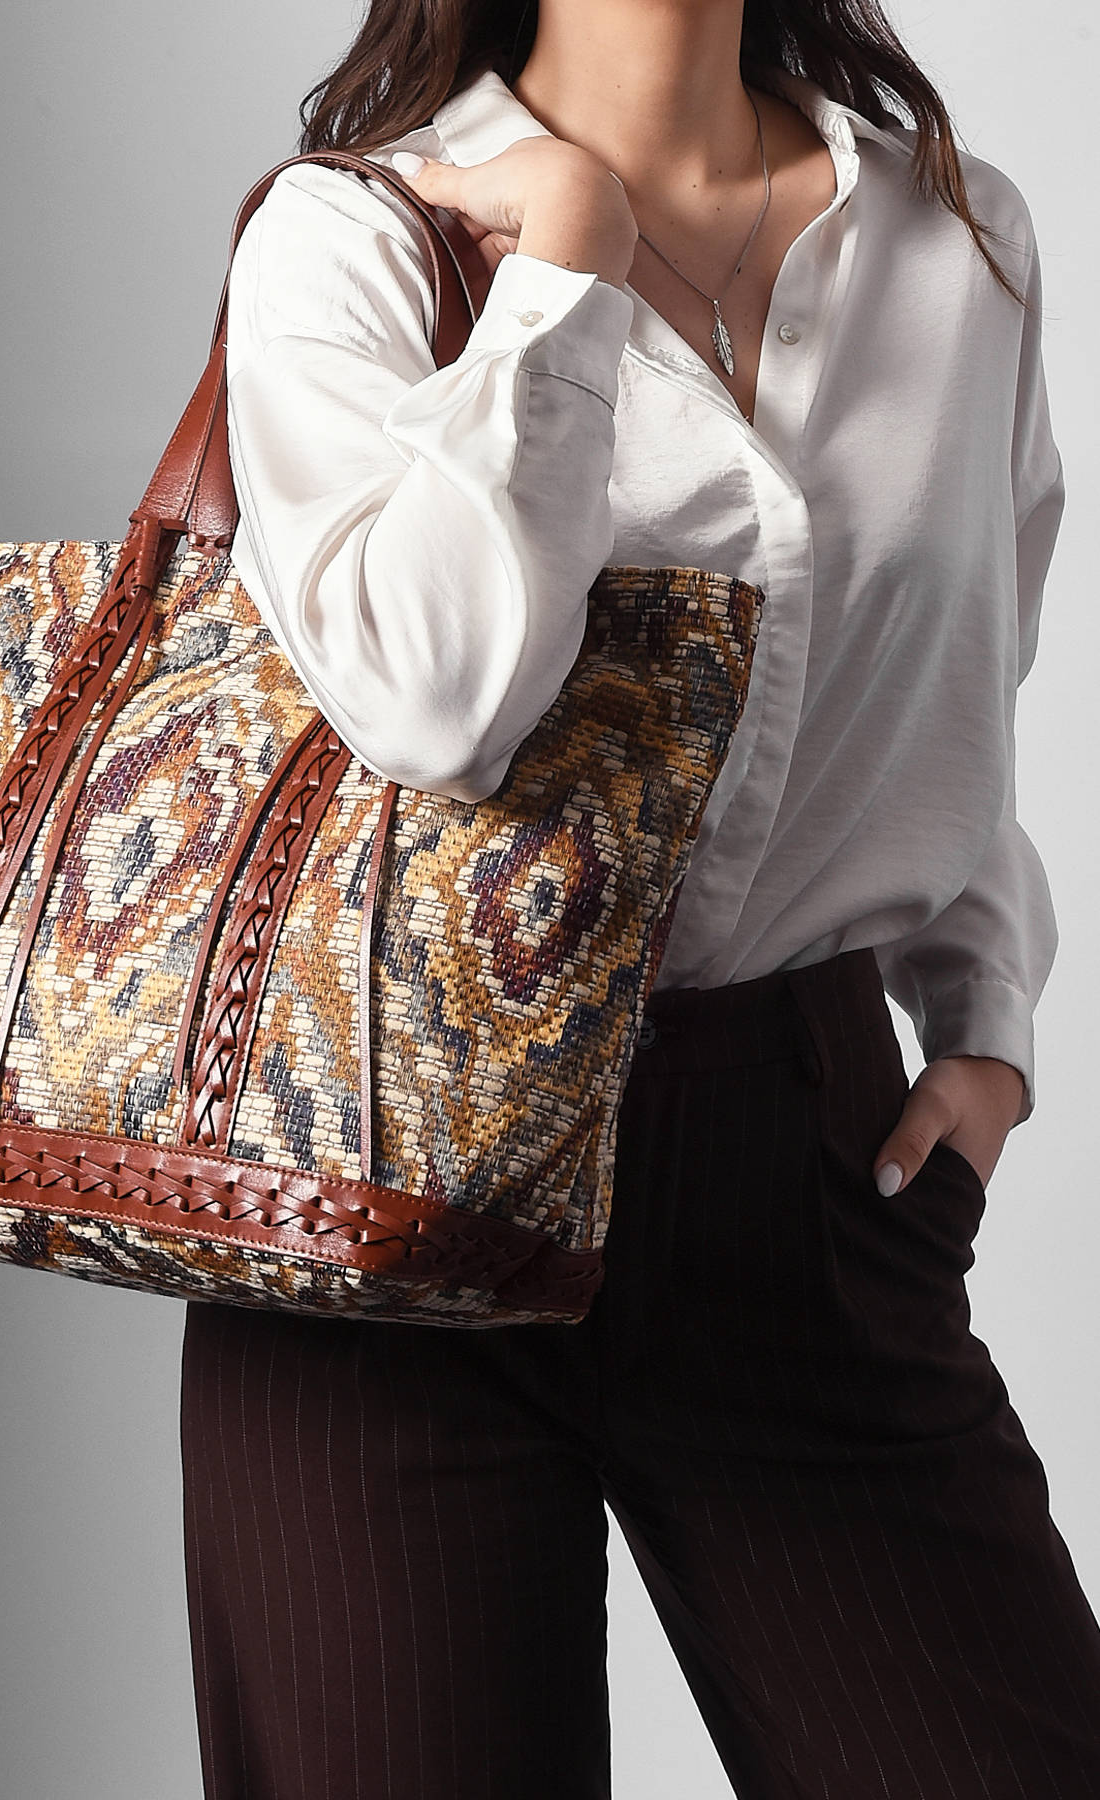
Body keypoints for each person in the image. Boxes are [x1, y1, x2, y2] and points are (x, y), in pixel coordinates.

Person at [178, 2, 1100, 1795]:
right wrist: (566, 266)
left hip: (802, 1169)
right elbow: (434, 702)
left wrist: (984, 1025)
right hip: (381, 1185)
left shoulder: (953, 234)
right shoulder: (357, 231)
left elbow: (951, 689)